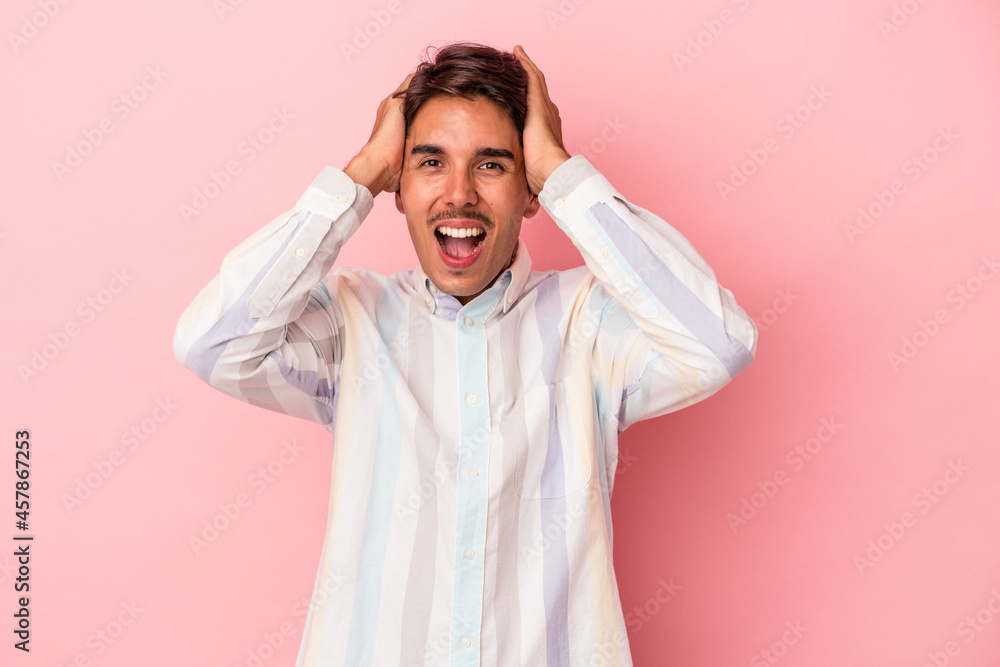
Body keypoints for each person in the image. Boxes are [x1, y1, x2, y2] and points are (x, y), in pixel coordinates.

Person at [173, 41, 757, 667]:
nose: (458, 194)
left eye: (491, 165)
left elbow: (718, 344)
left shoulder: (587, 323)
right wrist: (361, 175)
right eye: (430, 162)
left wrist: (560, 173)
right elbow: (212, 344)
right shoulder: (350, 321)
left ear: (529, 193)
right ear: (399, 189)